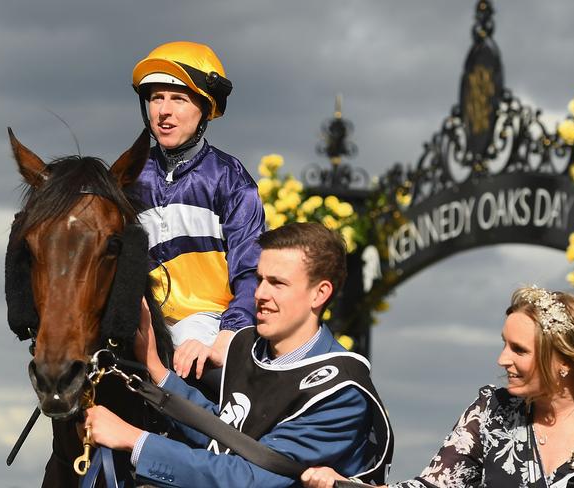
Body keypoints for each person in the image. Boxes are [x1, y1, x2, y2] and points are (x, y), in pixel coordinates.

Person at [85, 222, 394, 487]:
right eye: (260, 279)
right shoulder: (248, 345)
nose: (260, 294)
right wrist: (157, 371)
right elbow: (226, 437)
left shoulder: (341, 391)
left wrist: (134, 440)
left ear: (320, 293)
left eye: (277, 283)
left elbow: (249, 477)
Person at [301, 286, 574, 488]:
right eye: (504, 344)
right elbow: (430, 486)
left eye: (519, 350)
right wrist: (342, 485)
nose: (502, 359)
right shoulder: (491, 412)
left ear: (561, 360)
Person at [128, 41, 265, 380]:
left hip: (206, 323)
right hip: (138, 318)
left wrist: (228, 335)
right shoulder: (130, 176)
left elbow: (251, 272)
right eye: (156, 98)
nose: (164, 110)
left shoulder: (231, 179)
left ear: (205, 108)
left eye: (178, 98)